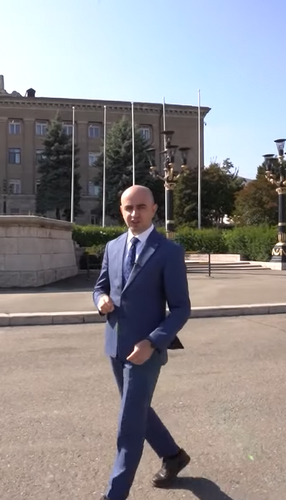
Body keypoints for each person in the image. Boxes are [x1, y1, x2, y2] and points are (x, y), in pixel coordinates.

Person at [92, 185, 192, 500]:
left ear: (154, 209)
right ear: (121, 210)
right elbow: (100, 286)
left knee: (130, 425)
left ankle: (115, 494)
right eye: (128, 208)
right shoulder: (112, 247)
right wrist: (100, 300)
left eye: (141, 207)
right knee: (137, 410)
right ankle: (173, 456)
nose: (134, 214)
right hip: (115, 346)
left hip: (145, 351)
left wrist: (153, 342)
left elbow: (181, 308)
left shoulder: (168, 252)